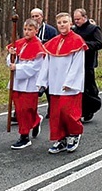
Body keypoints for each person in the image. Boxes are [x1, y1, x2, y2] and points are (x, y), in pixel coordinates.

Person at [37, 13, 88, 154]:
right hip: (55, 84)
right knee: (56, 114)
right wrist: (42, 82)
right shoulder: (53, 42)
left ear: (70, 23)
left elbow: (77, 65)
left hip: (70, 86)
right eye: (59, 22)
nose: (62, 25)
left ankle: (74, 134)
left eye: (65, 22)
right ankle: (60, 138)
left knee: (68, 112)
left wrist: (70, 82)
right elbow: (46, 63)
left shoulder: (77, 41)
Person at [6, 19, 47, 149]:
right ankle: (35, 121)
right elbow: (11, 60)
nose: (27, 32)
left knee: (27, 108)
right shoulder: (19, 43)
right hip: (17, 82)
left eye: (30, 29)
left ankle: (24, 137)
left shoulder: (38, 46)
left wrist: (17, 68)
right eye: (25, 29)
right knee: (19, 109)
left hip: (30, 83)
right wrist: (11, 56)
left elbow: (35, 67)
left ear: (36, 31)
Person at [72, 8, 102, 123]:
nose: (77, 21)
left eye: (78, 19)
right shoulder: (74, 30)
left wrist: (84, 45)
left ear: (85, 17)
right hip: (75, 63)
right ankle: (80, 110)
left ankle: (91, 108)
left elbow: (99, 44)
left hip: (88, 63)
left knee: (88, 87)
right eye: (75, 19)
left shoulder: (93, 29)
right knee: (77, 88)